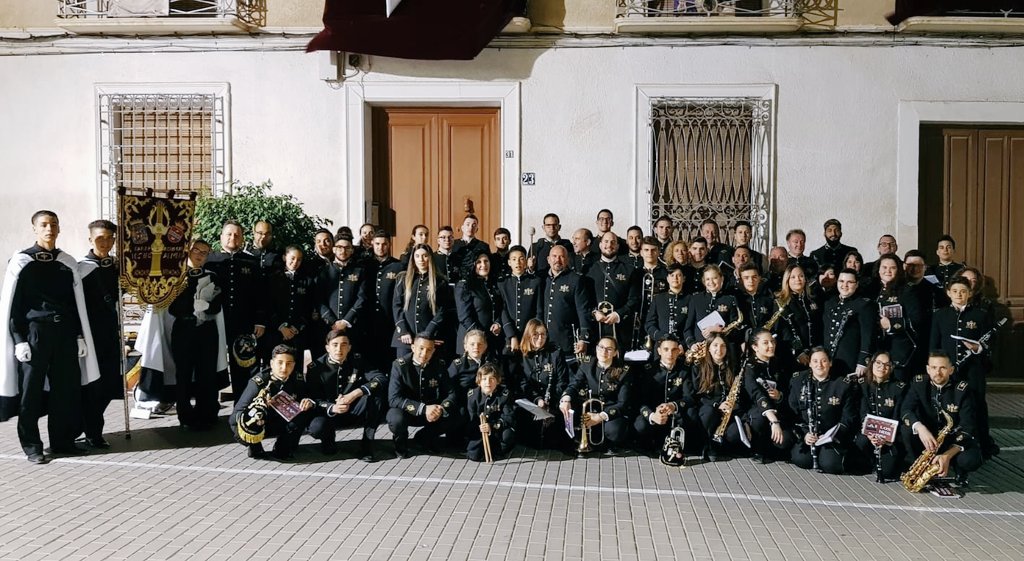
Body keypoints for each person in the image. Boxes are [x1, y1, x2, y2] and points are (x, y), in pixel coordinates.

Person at [0, 210, 100, 464]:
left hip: (65, 332)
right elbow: (13, 305)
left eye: (53, 224)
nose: (49, 229)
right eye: (44, 225)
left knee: (65, 390)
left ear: (59, 228)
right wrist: (19, 338)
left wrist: (79, 335)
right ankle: (32, 445)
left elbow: (75, 302)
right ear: (35, 229)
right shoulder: (22, 261)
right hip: (35, 333)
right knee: (30, 392)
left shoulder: (65, 262)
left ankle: (62, 441)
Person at [930, 276, 997, 458]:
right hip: (948, 371)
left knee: (977, 405)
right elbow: (934, 345)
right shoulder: (940, 315)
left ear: (970, 293)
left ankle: (981, 447)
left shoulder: (981, 315)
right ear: (948, 293)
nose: (959, 294)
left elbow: (990, 342)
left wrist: (978, 348)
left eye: (963, 291)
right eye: (955, 291)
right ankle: (947, 448)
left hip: (973, 370)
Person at [166, 239, 226, 430]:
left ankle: (206, 412)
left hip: (206, 330)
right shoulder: (176, 276)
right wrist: (192, 304)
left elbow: (218, 305)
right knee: (183, 373)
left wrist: (207, 305)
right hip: (184, 328)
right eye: (196, 250)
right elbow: (172, 308)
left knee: (206, 372)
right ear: (188, 251)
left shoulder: (212, 275)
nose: (199, 255)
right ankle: (185, 415)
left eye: (204, 252)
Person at [900, 351, 983, 486]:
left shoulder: (962, 390)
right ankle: (918, 468)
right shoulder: (919, 384)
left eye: (942, 368)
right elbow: (905, 410)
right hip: (929, 440)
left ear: (951, 370)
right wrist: (920, 428)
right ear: (928, 369)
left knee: (970, 459)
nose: (937, 373)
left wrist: (948, 454)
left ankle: (960, 472)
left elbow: (969, 426)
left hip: (953, 440)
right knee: (907, 430)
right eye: (933, 368)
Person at [205, 220, 267, 401]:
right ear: (221, 237)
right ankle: (209, 407)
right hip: (214, 322)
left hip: (243, 323)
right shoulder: (210, 260)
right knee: (212, 365)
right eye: (229, 234)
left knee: (243, 366)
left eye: (237, 235)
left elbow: (260, 293)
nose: (233, 238)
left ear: (242, 239)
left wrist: (260, 320)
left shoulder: (252, 262)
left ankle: (241, 407)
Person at [304, 331, 387, 462]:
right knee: (316, 427)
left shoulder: (357, 360)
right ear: (327, 348)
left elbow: (381, 378)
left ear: (349, 347)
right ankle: (328, 441)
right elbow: (314, 398)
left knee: (375, 395)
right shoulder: (316, 367)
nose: (339, 349)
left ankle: (367, 445)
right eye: (335, 345)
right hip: (329, 413)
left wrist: (355, 393)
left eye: (344, 345)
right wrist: (332, 407)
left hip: (353, 409)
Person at [78, 219, 122, 448]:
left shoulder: (116, 267)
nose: (105, 242)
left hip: (110, 334)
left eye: (109, 238)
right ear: (90, 239)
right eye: (100, 238)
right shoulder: (81, 269)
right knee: (92, 385)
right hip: (89, 334)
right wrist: (78, 336)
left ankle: (88, 425)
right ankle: (93, 431)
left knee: (110, 383)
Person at [230, 344, 313, 460]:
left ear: (294, 365)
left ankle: (282, 448)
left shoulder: (297, 379)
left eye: (289, 364)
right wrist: (258, 408)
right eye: (280, 362)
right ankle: (255, 448)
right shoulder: (258, 383)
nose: (284, 368)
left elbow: (307, 397)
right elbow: (234, 417)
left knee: (304, 412)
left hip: (281, 421)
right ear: (272, 363)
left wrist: (308, 402)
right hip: (262, 422)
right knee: (256, 414)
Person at [788, 347, 857, 474]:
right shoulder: (798, 381)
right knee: (802, 460)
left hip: (831, 436)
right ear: (809, 363)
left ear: (830, 363)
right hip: (808, 434)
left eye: (824, 361)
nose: (819, 365)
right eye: (815, 361)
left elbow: (848, 417)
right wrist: (804, 435)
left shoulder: (842, 385)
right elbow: (793, 412)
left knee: (830, 465)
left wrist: (831, 435)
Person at [559, 336, 633, 454]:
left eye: (609, 349)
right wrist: (566, 398)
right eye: (601, 347)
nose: (604, 352)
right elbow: (575, 383)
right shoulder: (587, 363)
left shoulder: (623, 371)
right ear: (596, 349)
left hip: (610, 412)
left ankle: (607, 444)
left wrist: (600, 416)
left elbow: (623, 403)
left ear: (615, 353)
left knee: (615, 431)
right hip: (589, 410)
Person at [387, 336, 457, 458]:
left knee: (456, 414)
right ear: (413, 348)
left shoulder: (439, 365)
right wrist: (424, 408)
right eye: (421, 348)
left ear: (434, 351)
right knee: (396, 419)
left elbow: (451, 393)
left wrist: (440, 409)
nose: (424, 353)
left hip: (432, 413)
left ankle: (423, 439)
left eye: (429, 349)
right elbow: (393, 399)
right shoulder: (400, 365)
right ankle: (401, 445)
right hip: (407, 412)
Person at [685, 333, 745, 461]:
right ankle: (706, 445)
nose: (719, 350)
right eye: (715, 345)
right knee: (709, 413)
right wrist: (717, 405)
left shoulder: (733, 366)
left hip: (729, 410)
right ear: (708, 348)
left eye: (723, 346)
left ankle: (721, 445)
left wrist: (735, 404)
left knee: (734, 434)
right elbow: (697, 395)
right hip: (707, 409)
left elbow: (739, 391)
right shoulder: (698, 366)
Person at [513, 319, 571, 451]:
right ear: (528, 335)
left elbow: (562, 381)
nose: (540, 338)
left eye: (543, 334)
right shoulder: (520, 355)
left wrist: (549, 402)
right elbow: (523, 383)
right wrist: (538, 400)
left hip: (553, 401)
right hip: (531, 402)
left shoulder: (555, 353)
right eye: (536, 335)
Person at [851, 351, 906, 480]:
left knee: (888, 472)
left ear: (891, 367)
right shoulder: (862, 384)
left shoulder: (899, 388)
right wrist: (871, 434)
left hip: (888, 439)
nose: (882, 367)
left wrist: (885, 438)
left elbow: (897, 417)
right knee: (860, 448)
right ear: (872, 364)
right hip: (867, 435)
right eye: (879, 363)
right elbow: (862, 413)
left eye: (887, 364)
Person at [392, 244, 454, 358]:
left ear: (430, 258)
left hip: (430, 336)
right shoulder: (402, 279)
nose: (421, 260)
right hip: (406, 337)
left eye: (425, 256)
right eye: (417, 256)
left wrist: (428, 333)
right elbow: (397, 306)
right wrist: (403, 330)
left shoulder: (440, 281)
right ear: (413, 258)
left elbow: (442, 310)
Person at [742, 330, 795, 463]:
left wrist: (780, 395)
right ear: (755, 347)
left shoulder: (779, 363)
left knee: (785, 441)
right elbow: (755, 393)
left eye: (772, 342)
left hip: (779, 408)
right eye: (765, 343)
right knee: (759, 420)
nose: (771, 345)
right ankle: (758, 449)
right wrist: (773, 420)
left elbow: (788, 388)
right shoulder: (749, 367)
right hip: (757, 410)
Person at [633, 336, 689, 458]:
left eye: (674, 350)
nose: (670, 353)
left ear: (679, 351)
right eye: (666, 349)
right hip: (654, 414)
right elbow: (639, 400)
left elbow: (689, 397)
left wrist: (673, 405)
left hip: (674, 414)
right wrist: (652, 416)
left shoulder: (684, 371)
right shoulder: (648, 370)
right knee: (641, 425)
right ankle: (646, 446)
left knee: (691, 416)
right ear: (659, 351)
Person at [583, 232, 640, 352]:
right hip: (595, 328)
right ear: (600, 245)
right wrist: (594, 312)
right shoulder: (589, 269)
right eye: (606, 242)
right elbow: (584, 299)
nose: (609, 245)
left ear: (618, 246)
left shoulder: (629, 270)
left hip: (621, 329)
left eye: (613, 242)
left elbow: (634, 299)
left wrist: (618, 314)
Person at [874, 254, 925, 383]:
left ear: (899, 270)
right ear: (879, 269)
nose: (888, 271)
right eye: (884, 267)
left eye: (892, 268)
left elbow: (917, 319)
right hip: (878, 349)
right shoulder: (872, 289)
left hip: (901, 351)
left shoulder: (907, 290)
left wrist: (891, 324)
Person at [316, 231, 371, 351]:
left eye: (347, 248)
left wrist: (346, 321)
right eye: (339, 247)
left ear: (352, 250)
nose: (343, 251)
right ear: (334, 249)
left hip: (352, 325)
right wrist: (333, 322)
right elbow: (319, 299)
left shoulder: (359, 271)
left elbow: (361, 297)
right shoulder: (324, 271)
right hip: (328, 326)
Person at [540, 245, 595, 360]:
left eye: (562, 257)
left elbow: (583, 310)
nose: (558, 260)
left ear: (567, 259)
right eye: (554, 256)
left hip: (566, 342)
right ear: (548, 259)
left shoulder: (575, 280)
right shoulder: (541, 278)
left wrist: (583, 337)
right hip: (543, 341)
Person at [823, 270, 875, 377]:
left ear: (856, 284)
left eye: (849, 282)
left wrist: (862, 362)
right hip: (828, 360)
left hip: (850, 360)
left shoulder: (864, 305)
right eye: (841, 281)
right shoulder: (830, 303)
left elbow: (868, 336)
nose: (844, 285)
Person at [265, 246, 315, 356]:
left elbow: (308, 307)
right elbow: (268, 304)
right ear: (284, 257)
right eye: (292, 258)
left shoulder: (306, 281)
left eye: (299, 259)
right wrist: (281, 327)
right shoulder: (273, 278)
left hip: (297, 333)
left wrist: (296, 327)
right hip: (276, 331)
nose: (295, 262)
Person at [367, 231, 405, 371]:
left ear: (389, 245)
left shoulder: (398, 266)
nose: (380, 247)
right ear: (372, 244)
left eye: (384, 244)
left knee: (389, 360)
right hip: (368, 322)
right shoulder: (365, 265)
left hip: (390, 322)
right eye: (377, 244)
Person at [684, 265, 742, 352]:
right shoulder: (695, 299)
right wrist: (692, 344)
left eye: (715, 278)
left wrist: (720, 330)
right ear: (703, 281)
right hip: (700, 349)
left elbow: (736, 328)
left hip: (722, 349)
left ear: (721, 279)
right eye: (707, 279)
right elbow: (688, 328)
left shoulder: (730, 299)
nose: (711, 282)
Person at [455, 253, 504, 355]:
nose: (483, 265)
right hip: (471, 340)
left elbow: (500, 307)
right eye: (479, 262)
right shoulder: (464, 285)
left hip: (490, 339)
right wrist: (480, 335)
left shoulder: (493, 284)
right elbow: (464, 316)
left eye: (486, 261)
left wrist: (498, 323)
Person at [466, 362, 516, 462]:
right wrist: (481, 428)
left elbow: (508, 417)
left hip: (497, 430)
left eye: (492, 379)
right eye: (484, 379)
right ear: (479, 381)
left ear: (498, 381)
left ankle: (498, 451)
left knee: (508, 435)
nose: (488, 382)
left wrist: (492, 426)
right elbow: (471, 418)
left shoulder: (504, 395)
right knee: (474, 455)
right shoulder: (473, 396)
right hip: (480, 431)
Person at [776, 264, 822, 371]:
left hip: (815, 354)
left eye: (801, 276)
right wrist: (798, 352)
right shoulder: (781, 302)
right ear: (787, 280)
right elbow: (785, 332)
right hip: (793, 356)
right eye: (793, 277)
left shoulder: (812, 300)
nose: (798, 279)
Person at [497, 245, 542, 353]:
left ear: (526, 261)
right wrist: (511, 335)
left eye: (521, 259)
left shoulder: (535, 282)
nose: (518, 262)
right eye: (514, 259)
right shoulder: (502, 283)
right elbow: (502, 310)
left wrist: (533, 333)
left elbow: (539, 310)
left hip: (530, 335)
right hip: (508, 336)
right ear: (509, 262)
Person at [645, 263, 689, 344]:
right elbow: (649, 324)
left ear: (684, 278)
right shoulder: (657, 299)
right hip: (661, 345)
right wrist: (661, 336)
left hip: (682, 347)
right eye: (672, 275)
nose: (675, 278)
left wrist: (683, 345)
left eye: (678, 275)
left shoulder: (690, 299)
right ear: (667, 279)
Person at [451, 214, 490, 281]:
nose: (470, 228)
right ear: (462, 228)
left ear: (477, 229)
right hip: (457, 282)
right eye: (468, 224)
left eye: (474, 225)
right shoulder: (453, 244)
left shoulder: (483, 246)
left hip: (476, 282)